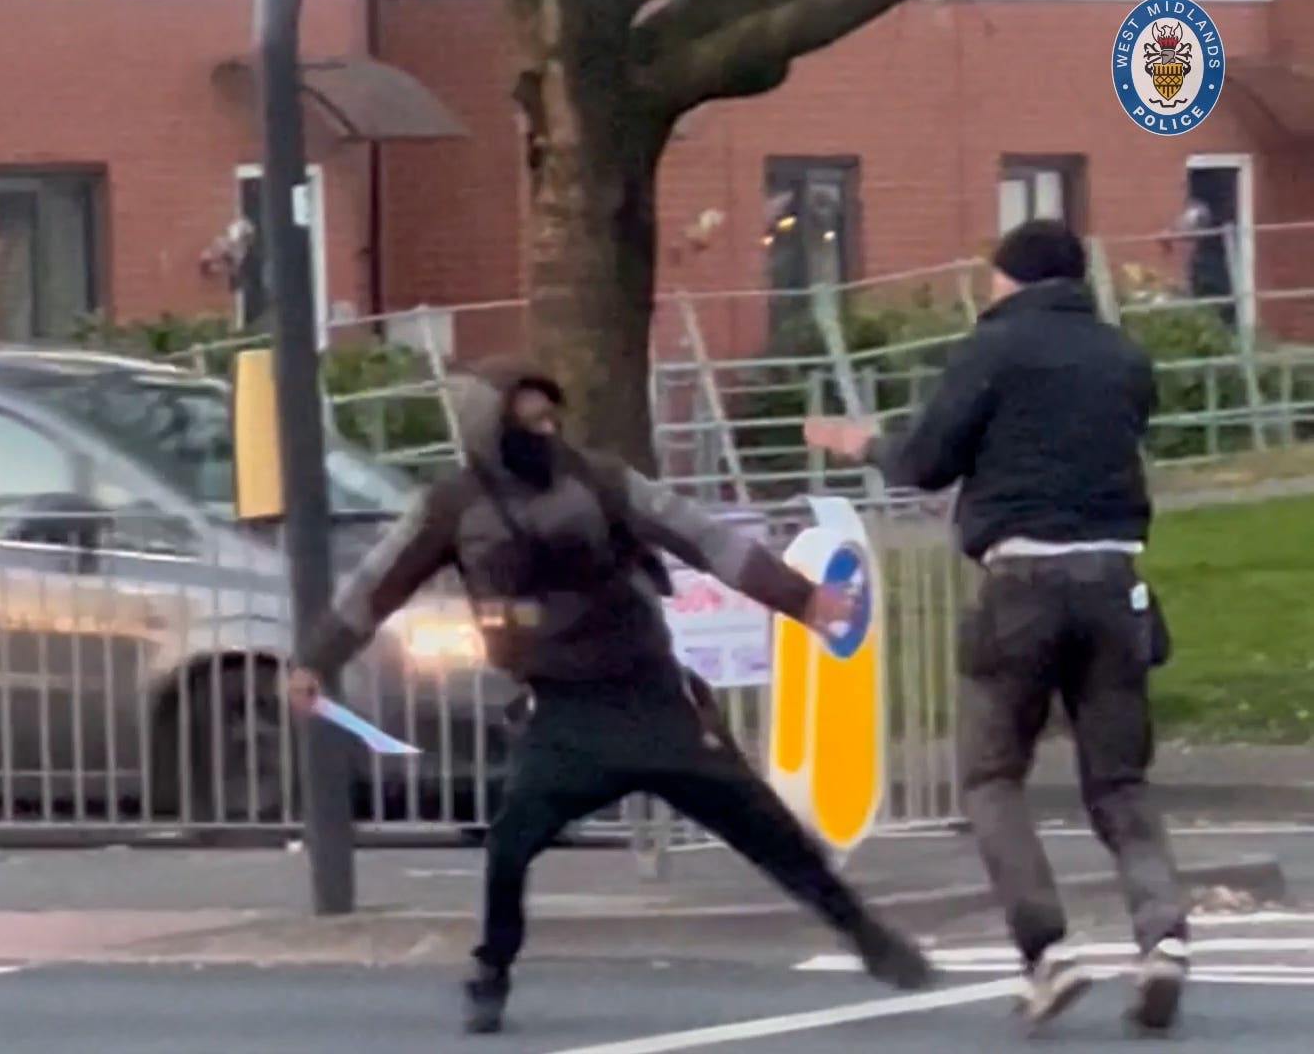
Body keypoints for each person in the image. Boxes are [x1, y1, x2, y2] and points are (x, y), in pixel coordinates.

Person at [287, 357, 934, 1035]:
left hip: (651, 697)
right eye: (529, 420)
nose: (547, 429)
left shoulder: (598, 480)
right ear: (490, 428)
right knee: (510, 843)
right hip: (565, 713)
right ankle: (492, 971)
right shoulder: (452, 507)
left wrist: (799, 598)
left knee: (769, 829)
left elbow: (703, 536)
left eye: (550, 416)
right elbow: (375, 584)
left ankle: (868, 937)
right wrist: (316, 659)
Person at [804, 218, 1189, 1033]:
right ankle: (1163, 936)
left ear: (1009, 279)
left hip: (1022, 581)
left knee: (991, 775)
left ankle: (1046, 949)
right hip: (1117, 578)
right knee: (1119, 780)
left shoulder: (995, 349)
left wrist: (858, 441)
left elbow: (924, 461)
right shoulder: (1124, 357)